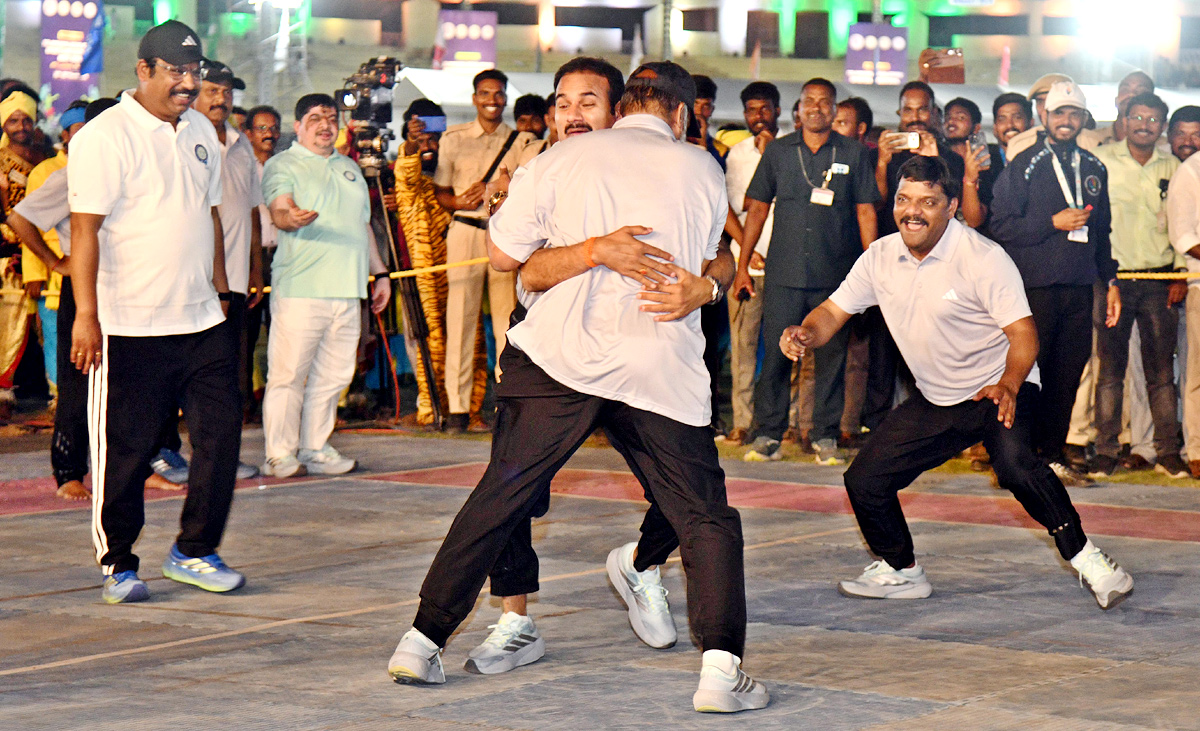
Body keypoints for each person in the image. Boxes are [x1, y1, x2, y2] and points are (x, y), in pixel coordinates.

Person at [387, 62, 768, 715]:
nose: (570, 111)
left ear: (621, 107)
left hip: (560, 356)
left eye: (585, 99)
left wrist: (700, 284)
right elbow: (706, 250)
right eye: (563, 99)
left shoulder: (556, 164)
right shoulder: (699, 165)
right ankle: (719, 670)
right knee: (705, 513)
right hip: (653, 357)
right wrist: (600, 250)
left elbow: (508, 257)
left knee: (502, 492)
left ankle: (421, 638)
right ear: (681, 114)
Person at [786, 154, 1133, 611]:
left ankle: (1093, 562)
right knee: (865, 479)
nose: (913, 211)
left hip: (998, 386)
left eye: (928, 201)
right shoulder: (880, 257)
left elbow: (1024, 335)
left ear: (951, 206)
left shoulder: (982, 257)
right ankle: (901, 569)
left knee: (1015, 466)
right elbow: (832, 312)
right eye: (905, 199)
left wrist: (1009, 384)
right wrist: (805, 333)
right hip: (938, 397)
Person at [67, 20, 246, 604]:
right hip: (129, 326)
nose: (189, 84)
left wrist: (221, 291)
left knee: (220, 441)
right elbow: (85, 230)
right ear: (143, 70)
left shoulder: (200, 130)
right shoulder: (105, 136)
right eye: (176, 72)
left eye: (194, 72)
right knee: (130, 450)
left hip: (201, 320)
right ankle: (118, 562)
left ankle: (194, 551)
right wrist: (86, 316)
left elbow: (210, 215)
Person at [733, 78, 879, 464]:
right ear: (798, 109)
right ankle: (767, 434)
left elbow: (865, 209)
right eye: (809, 102)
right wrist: (743, 265)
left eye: (824, 102)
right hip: (783, 273)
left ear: (834, 110)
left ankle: (825, 436)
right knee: (777, 358)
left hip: (837, 278)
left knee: (832, 359)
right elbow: (758, 208)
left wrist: (873, 267)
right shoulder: (780, 151)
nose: (816, 108)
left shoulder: (853, 152)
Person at [990, 80, 1120, 486]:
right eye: (1060, 112)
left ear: (1084, 119)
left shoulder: (1095, 167)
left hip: (1080, 288)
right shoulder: (1025, 162)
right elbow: (1001, 225)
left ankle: (1052, 456)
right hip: (1035, 288)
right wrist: (1052, 223)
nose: (1066, 120)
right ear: (1045, 116)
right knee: (1029, 374)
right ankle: (1015, 460)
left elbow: (1103, 233)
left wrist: (1111, 280)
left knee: (1066, 377)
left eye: (1074, 113)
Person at [260, 93, 392, 477]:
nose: (325, 124)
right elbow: (279, 209)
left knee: (334, 375)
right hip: (301, 289)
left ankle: (315, 446)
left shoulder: (349, 167)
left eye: (331, 118)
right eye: (315, 118)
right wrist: (291, 218)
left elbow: (362, 224)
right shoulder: (283, 163)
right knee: (288, 375)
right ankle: (279, 454)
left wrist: (380, 273)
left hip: (348, 290)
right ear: (299, 126)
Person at [433, 69, 540, 433]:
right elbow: (441, 191)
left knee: (506, 322)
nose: (492, 100)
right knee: (459, 320)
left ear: (505, 97)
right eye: (485, 94)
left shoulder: (523, 141)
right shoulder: (454, 138)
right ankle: (458, 409)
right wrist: (454, 201)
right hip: (464, 231)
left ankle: (504, 404)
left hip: (504, 234)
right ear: (475, 98)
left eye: (498, 94)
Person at [1089, 93, 1186, 479]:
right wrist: (1102, 276)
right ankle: (1105, 451)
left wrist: (1180, 271)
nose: (1144, 125)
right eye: (1137, 117)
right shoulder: (1102, 162)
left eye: (1153, 119)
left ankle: (1168, 452)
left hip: (1160, 280)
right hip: (1114, 281)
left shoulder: (1175, 165)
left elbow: (1185, 220)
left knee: (1162, 373)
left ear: (1162, 126)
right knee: (1110, 371)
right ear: (1123, 120)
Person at [8, 99, 92, 500]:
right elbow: (19, 219)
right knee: (74, 385)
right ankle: (69, 471)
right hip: (78, 290)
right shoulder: (68, 174)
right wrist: (53, 263)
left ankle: (135, 466)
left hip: (129, 291)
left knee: (129, 385)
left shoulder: (131, 171)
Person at [192, 60, 262, 479]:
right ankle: (194, 459)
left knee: (231, 377)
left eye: (227, 92)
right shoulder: (184, 139)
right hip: (197, 284)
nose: (220, 99)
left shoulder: (241, 143)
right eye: (212, 91)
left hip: (236, 285)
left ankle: (223, 459)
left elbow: (251, 212)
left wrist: (255, 269)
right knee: (199, 379)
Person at [19, 101, 86, 410]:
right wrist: (40, 269)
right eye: (80, 130)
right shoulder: (48, 170)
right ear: (65, 135)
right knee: (56, 336)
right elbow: (24, 220)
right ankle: (61, 397)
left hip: (91, 274)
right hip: (56, 275)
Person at [723, 81, 779, 446]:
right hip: (748, 264)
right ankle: (742, 422)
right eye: (751, 110)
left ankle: (784, 422)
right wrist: (746, 250)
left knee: (785, 346)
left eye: (765, 109)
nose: (758, 117)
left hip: (787, 264)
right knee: (743, 346)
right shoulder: (736, 154)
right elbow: (732, 207)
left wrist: (771, 155)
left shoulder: (792, 150)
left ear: (778, 110)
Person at [0, 86, 46, 419]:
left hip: (44, 250)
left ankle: (47, 390)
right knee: (10, 325)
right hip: (9, 252)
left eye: (26, 119)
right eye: (13, 120)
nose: (20, 126)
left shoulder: (47, 158)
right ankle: (5, 394)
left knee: (45, 325)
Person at [1167, 107, 1200, 478]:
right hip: (1199, 284)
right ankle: (1196, 450)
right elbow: (1184, 236)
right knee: (1197, 373)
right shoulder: (1191, 171)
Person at [243, 104, 282, 416]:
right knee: (246, 335)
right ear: (248, 134)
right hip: (250, 260)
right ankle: (243, 405)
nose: (268, 134)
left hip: (283, 256)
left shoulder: (285, 168)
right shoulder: (241, 168)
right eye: (261, 128)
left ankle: (278, 404)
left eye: (273, 128)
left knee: (283, 332)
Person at [943, 96, 998, 232]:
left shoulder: (987, 161)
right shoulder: (938, 156)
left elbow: (975, 220)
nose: (951, 122)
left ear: (976, 128)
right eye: (947, 117)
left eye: (960, 118)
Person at [992, 92, 1033, 167]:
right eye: (1002, 119)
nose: (1010, 125)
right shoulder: (984, 160)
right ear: (995, 127)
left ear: (1031, 123)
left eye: (1017, 118)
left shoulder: (1042, 159)